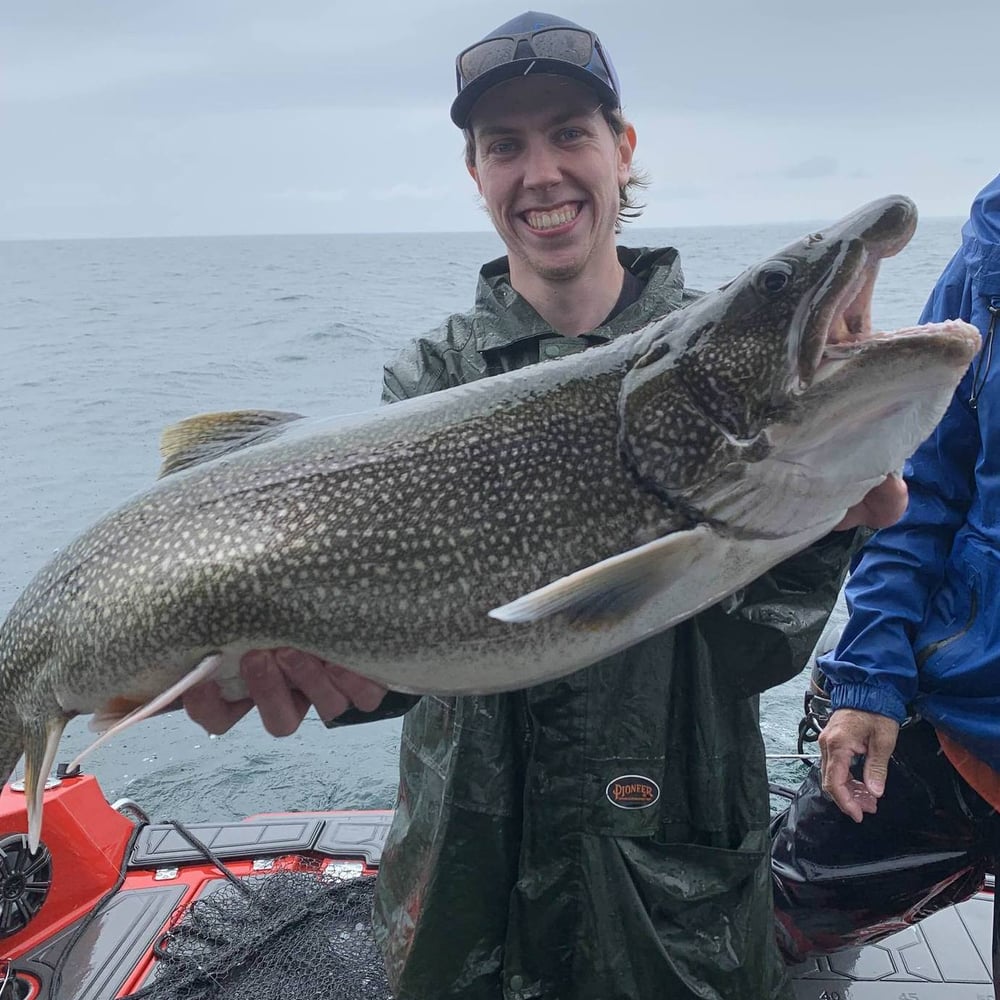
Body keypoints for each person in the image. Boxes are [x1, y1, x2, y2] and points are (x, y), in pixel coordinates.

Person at [184, 11, 906, 999]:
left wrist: (828, 529)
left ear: (623, 148)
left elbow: (750, 653)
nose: (541, 172)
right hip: (465, 878)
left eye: (570, 131)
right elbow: (422, 650)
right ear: (474, 173)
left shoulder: (718, 365)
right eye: (504, 145)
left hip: (668, 878)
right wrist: (314, 670)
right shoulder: (430, 379)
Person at [771, 174, 1000, 977]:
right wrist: (871, 677)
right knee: (771, 916)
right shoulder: (993, 235)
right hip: (962, 720)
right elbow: (930, 482)